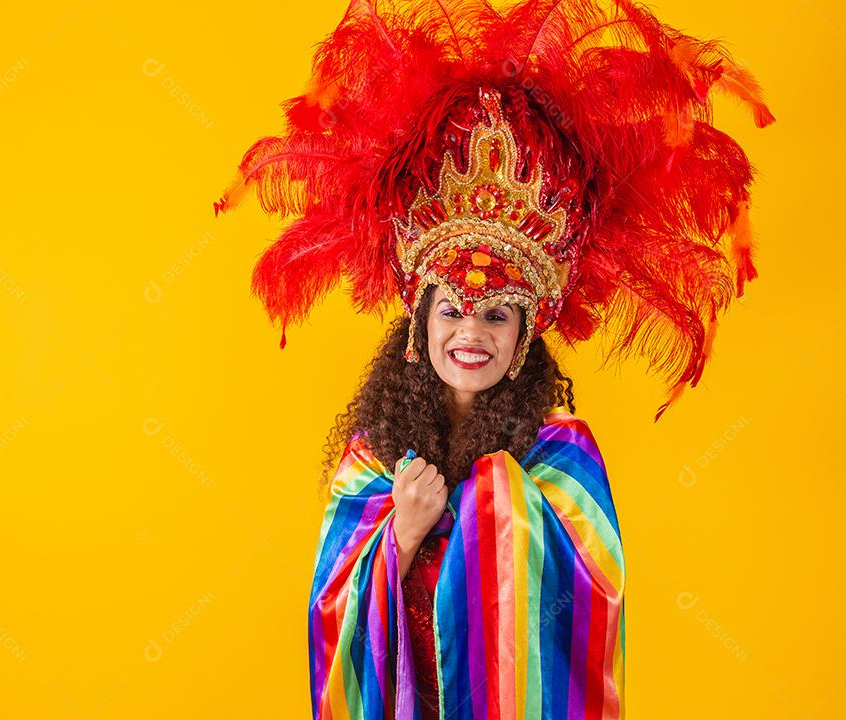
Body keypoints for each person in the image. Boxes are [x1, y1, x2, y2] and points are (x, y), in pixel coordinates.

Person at [213, 2, 773, 717]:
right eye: (450, 308)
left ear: (525, 334)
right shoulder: (370, 458)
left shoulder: (560, 456)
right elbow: (332, 611)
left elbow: (588, 606)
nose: (469, 331)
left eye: (496, 313)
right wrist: (404, 529)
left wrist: (492, 503)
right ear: (418, 324)